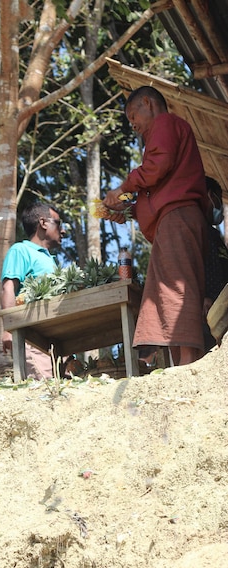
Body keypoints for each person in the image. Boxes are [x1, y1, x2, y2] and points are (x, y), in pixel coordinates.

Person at [103, 85, 208, 367]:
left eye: (132, 116)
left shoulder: (165, 123)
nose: (133, 125)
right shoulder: (161, 135)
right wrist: (128, 209)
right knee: (166, 290)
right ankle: (185, 360)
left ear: (148, 103)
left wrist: (124, 187)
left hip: (177, 218)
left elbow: (158, 166)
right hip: (170, 220)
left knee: (177, 287)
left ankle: (188, 360)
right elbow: (157, 189)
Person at [1, 201, 65, 378]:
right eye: (58, 223)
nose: (63, 230)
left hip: (54, 338)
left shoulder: (50, 260)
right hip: (32, 338)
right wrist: (8, 329)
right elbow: (8, 288)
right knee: (42, 387)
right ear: (43, 223)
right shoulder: (21, 250)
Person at [203, 176, 228, 352]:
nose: (219, 208)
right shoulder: (198, 231)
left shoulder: (215, 236)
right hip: (209, 312)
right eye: (218, 200)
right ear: (209, 195)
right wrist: (204, 296)